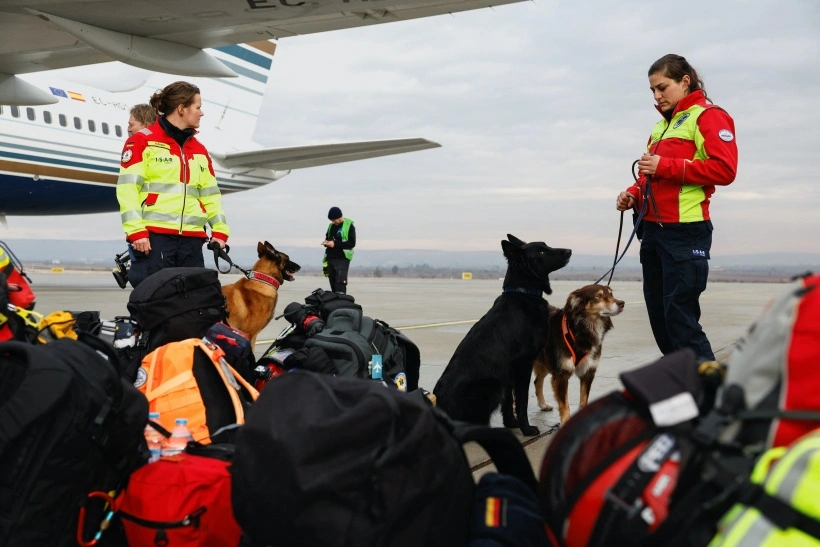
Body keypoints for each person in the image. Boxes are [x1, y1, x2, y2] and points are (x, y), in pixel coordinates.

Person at [616, 54, 737, 361]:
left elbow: (725, 169)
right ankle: (684, 383)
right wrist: (632, 194)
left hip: (685, 233)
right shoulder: (660, 127)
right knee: (661, 319)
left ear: (685, 81)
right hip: (652, 234)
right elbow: (649, 176)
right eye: (652, 90)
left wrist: (665, 166)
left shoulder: (708, 116)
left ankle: (709, 386)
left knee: (680, 320)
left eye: (662, 87)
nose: (657, 96)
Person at [117, 81, 229, 288]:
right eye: (198, 107)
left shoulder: (200, 150)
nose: (201, 113)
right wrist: (136, 232)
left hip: (192, 242)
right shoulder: (142, 141)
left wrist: (220, 231)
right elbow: (127, 189)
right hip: (154, 240)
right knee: (155, 301)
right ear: (181, 109)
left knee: (193, 302)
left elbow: (210, 195)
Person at [321, 206, 356, 294]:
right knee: (333, 284)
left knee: (340, 285)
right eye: (331, 220)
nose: (333, 222)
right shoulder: (331, 226)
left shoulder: (349, 225)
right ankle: (334, 301)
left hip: (342, 259)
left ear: (339, 217)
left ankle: (342, 301)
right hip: (330, 258)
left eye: (334, 220)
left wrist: (335, 244)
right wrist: (326, 242)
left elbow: (352, 243)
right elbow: (328, 238)